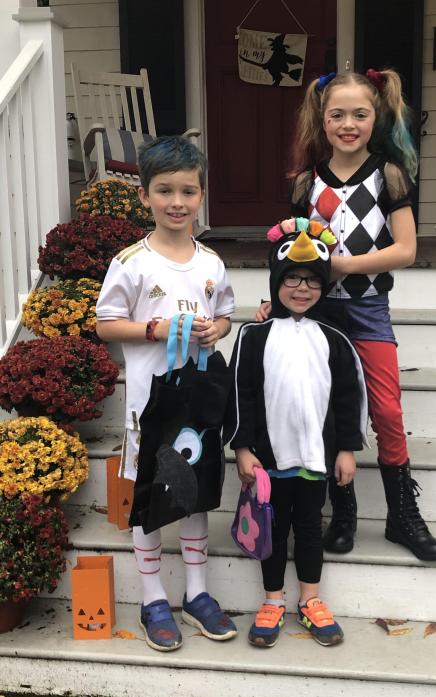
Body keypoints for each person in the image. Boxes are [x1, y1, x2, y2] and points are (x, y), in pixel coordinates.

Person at [257, 69, 436, 562]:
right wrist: (276, 298)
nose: (348, 124)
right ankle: (342, 513)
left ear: (375, 117)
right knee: (327, 407)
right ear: (321, 120)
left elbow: (405, 250)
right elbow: (293, 252)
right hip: (317, 312)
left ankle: (402, 515)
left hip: (367, 308)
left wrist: (343, 265)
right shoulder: (307, 182)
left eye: (359, 114)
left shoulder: (389, 175)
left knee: (386, 409)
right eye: (337, 115)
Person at [96, 135, 237, 651]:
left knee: (195, 488)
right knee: (150, 493)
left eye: (188, 191)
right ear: (144, 196)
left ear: (201, 196)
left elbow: (225, 314)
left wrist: (217, 329)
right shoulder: (131, 262)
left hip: (197, 403)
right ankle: (153, 597)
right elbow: (106, 324)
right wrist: (155, 329)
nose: (177, 202)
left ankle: (197, 593)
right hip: (150, 405)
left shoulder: (211, 262)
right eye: (164, 191)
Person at [224, 225, 368, 647]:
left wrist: (346, 449)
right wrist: (242, 447)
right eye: (291, 278)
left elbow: (349, 397)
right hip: (268, 461)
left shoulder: (335, 339)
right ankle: (272, 601)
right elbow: (240, 393)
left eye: (312, 280)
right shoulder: (254, 336)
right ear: (275, 282)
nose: (302, 288)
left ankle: (310, 600)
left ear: (324, 286)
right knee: (271, 530)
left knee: (308, 528)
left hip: (316, 459)